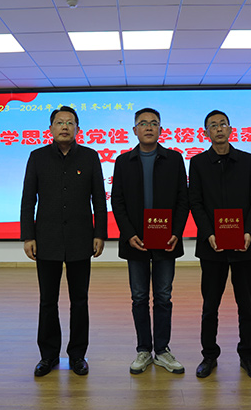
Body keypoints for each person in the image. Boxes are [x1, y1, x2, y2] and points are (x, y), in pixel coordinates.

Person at [20, 106, 108, 377]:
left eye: (70, 122)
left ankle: (78, 355)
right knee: (48, 301)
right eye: (59, 122)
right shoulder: (37, 157)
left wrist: (100, 234)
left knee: (79, 300)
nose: (65, 127)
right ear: (51, 128)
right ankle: (48, 356)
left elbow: (99, 198)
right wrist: (28, 236)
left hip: (81, 239)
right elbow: (28, 199)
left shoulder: (90, 157)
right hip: (46, 240)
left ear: (78, 129)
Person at [188, 109, 251, 381]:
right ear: (206, 133)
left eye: (223, 124)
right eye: (213, 125)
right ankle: (209, 356)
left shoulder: (247, 160)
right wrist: (208, 232)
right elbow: (195, 202)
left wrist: (249, 231)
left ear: (231, 129)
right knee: (210, 305)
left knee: (246, 306)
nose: (219, 128)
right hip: (212, 247)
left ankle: (248, 357)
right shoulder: (198, 163)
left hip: (244, 245)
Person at [111, 108, 189, 374]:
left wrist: (176, 231)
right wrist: (128, 233)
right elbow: (117, 201)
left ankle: (162, 351)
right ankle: (144, 350)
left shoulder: (174, 159)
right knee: (139, 297)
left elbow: (183, 199)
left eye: (154, 123)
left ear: (160, 129)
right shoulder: (123, 161)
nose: (148, 127)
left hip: (167, 240)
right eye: (143, 123)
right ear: (134, 130)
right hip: (135, 241)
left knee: (164, 296)